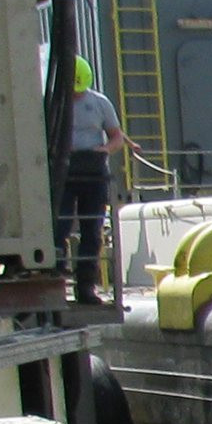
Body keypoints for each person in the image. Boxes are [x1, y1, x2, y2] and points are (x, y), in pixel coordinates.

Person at [61, 55, 133, 305]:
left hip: (93, 173)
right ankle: (57, 284)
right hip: (64, 172)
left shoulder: (100, 103)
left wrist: (104, 150)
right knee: (59, 228)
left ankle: (86, 288)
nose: (76, 96)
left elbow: (116, 137)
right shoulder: (54, 102)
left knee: (92, 231)